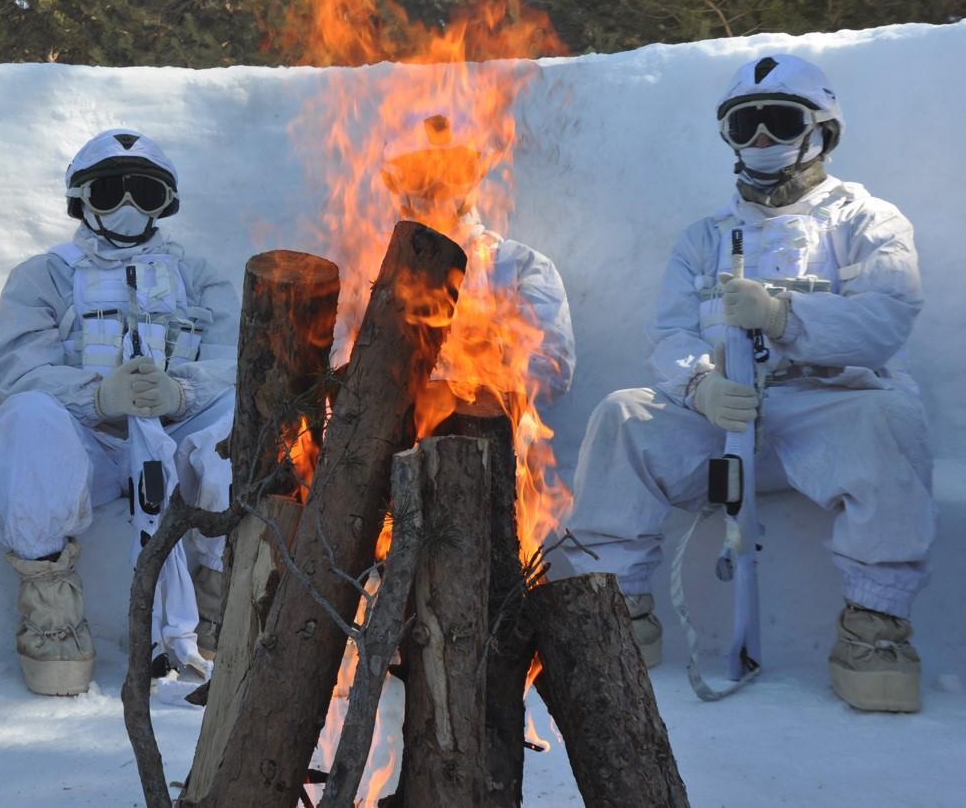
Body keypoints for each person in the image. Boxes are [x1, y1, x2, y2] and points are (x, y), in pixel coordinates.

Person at [561, 55, 934, 712]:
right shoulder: (703, 239)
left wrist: (785, 316)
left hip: (826, 414)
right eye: (745, 126)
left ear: (820, 130)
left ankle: (875, 628)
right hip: (723, 413)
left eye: (778, 121)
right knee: (624, 416)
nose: (761, 139)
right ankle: (618, 616)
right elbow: (670, 334)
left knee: (893, 418)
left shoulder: (867, 221)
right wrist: (699, 384)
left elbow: (888, 317)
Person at [0, 129, 236, 696]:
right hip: (87, 447)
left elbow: (239, 358)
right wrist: (96, 396)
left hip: (175, 444)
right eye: (109, 192)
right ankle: (51, 606)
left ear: (165, 204)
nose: (125, 207)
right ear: (81, 200)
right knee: (27, 418)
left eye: (143, 193)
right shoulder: (42, 276)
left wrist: (182, 393)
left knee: (241, 413)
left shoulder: (200, 277)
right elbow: (16, 368)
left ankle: (216, 594)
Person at [379, 112, 575, 403]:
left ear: (475, 178)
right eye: (418, 174)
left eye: (453, 170)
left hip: (491, 442)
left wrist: (483, 352)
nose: (437, 186)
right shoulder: (376, 276)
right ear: (397, 188)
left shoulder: (521, 267)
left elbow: (554, 374)